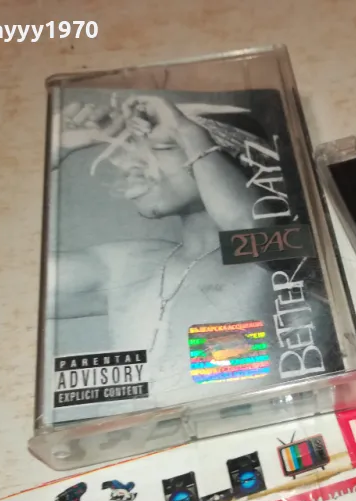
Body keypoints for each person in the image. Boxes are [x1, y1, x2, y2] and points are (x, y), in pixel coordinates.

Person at [48, 93, 275, 409]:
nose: (133, 163)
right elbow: (17, 290)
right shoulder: (129, 266)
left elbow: (251, 231)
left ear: (232, 157)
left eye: (162, 147)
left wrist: (186, 131)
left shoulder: (274, 263)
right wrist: (50, 153)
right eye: (131, 149)